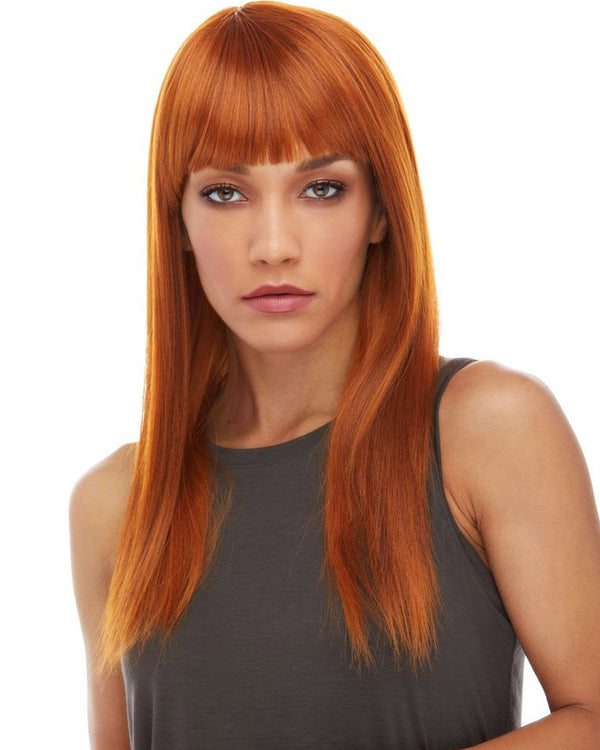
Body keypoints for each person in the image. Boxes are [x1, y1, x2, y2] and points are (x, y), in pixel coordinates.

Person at [68, 3, 600, 749]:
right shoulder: (115, 502)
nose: (273, 245)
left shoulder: (488, 427)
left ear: (381, 210)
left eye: (321, 188)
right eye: (225, 192)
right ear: (177, 221)